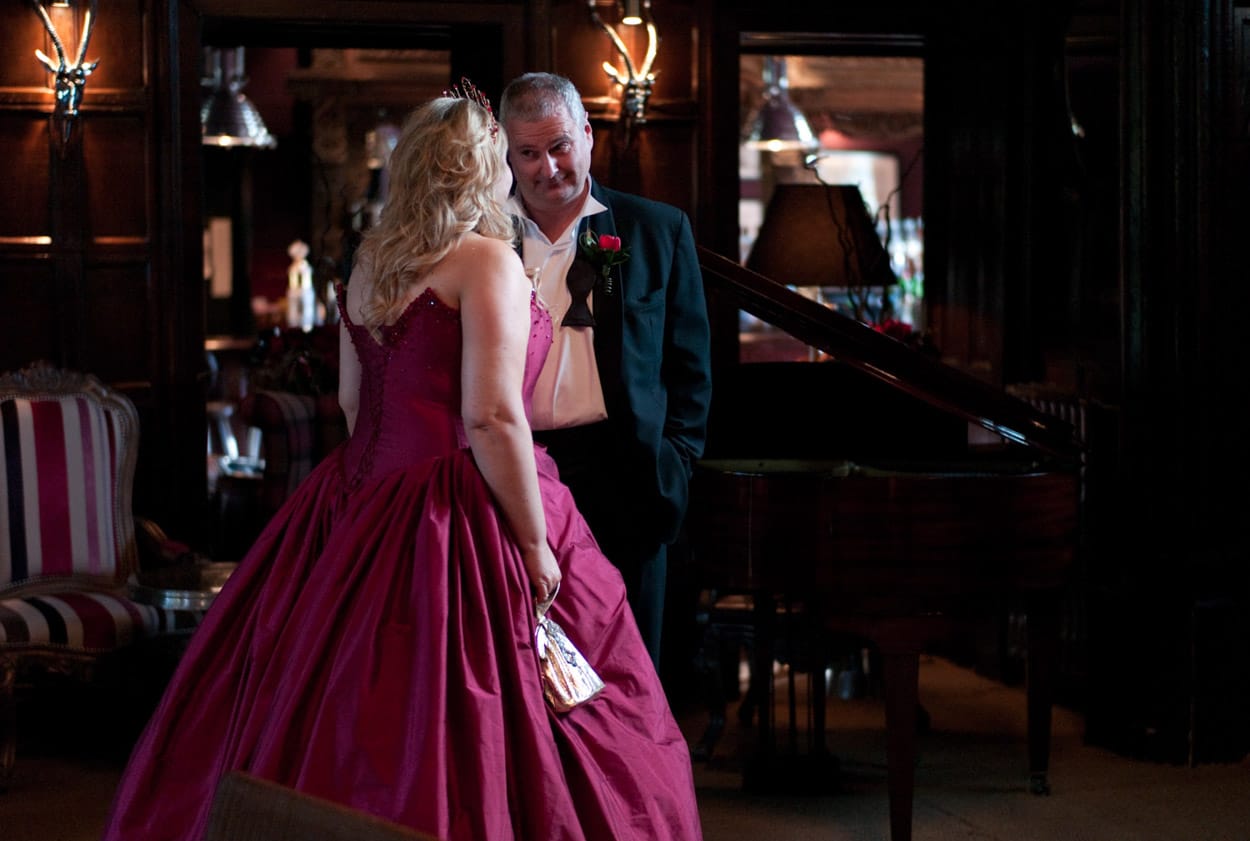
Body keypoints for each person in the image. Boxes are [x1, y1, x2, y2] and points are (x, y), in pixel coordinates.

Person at [100, 90, 703, 841]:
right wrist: (535, 544)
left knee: (339, 702)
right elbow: (489, 416)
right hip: (459, 502)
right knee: (498, 709)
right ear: (485, 168)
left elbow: (354, 405)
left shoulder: (371, 264)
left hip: (360, 492)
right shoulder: (486, 260)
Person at [498, 72, 713, 671]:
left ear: (588, 135)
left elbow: (690, 366)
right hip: (517, 472)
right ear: (507, 154)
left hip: (628, 473)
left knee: (628, 670)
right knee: (527, 670)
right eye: (528, 153)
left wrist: (674, 459)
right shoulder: (482, 239)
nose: (547, 168)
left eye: (560, 145)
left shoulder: (656, 229)